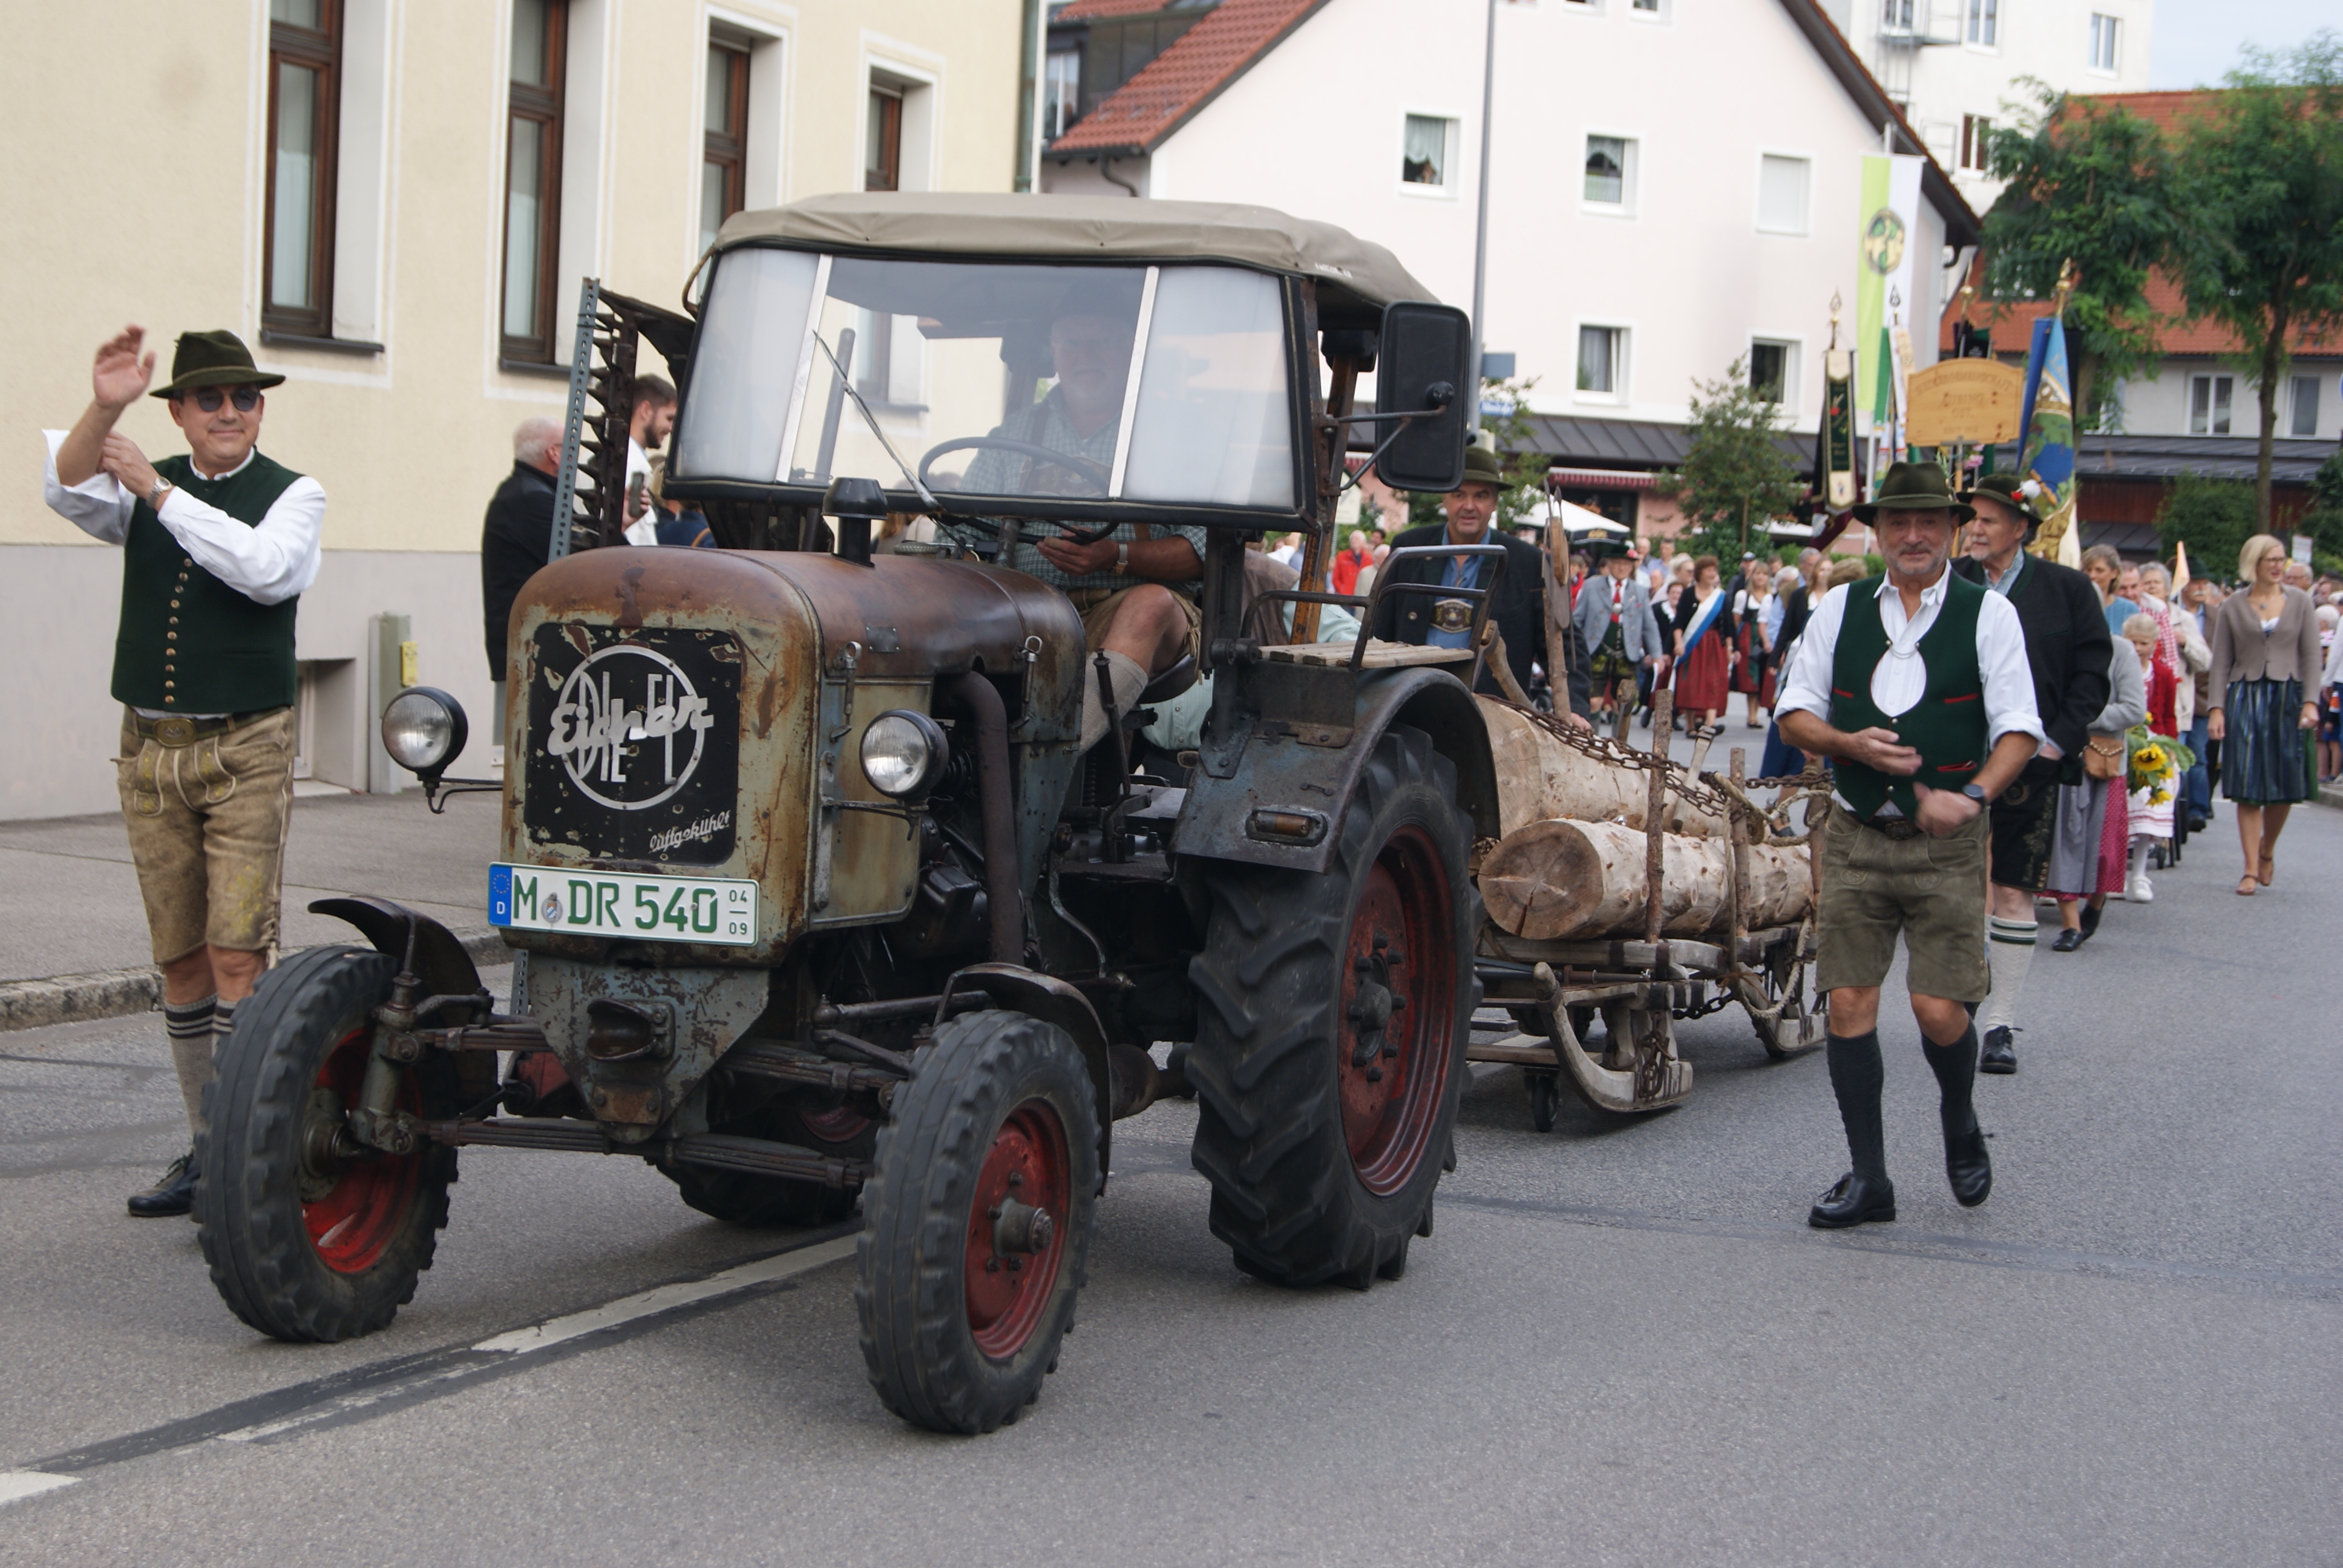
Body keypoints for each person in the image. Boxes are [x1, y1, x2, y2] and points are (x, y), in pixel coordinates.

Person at [43, 327, 324, 1218]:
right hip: (151, 749)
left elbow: (265, 572)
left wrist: (159, 492)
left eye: (245, 397)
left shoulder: (295, 493)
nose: (231, 412)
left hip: (245, 746)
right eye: (211, 398)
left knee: (237, 953)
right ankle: (207, 1146)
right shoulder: (139, 478)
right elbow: (65, 486)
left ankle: (248, 1150)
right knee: (180, 960)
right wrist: (106, 409)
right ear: (180, 412)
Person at [1774, 462, 2042, 1229]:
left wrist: (1972, 796)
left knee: (1936, 1008)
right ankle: (1869, 1180)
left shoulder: (1987, 614)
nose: (1913, 535)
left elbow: (2019, 729)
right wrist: (1846, 744)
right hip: (1856, 832)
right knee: (1848, 1000)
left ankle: (1958, 1116)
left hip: (1946, 845)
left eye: (1928, 521)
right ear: (1879, 531)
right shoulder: (1838, 607)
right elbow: (1793, 711)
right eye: (1898, 522)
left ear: (1952, 530)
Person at [951, 307, 1206, 753]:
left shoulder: (1175, 434)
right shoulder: (1014, 433)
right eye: (1071, 342)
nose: (1085, 355)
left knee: (1150, 605)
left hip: (1127, 608)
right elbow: (957, 533)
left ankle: (1050, 754)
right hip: (1027, 613)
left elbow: (1202, 552)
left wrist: (1114, 557)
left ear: (1131, 351)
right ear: (1053, 352)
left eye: (1101, 341)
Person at [1951, 473, 2112, 1073]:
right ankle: (1961, 1000)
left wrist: (2056, 743)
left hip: (2031, 764)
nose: (1974, 529)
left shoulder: (2067, 589)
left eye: (1988, 520)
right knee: (1957, 888)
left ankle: (1999, 1024)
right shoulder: (1947, 582)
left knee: (2014, 888)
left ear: (2020, 528)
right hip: (1955, 759)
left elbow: (2091, 674)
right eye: (1970, 518)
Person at [1373, 446, 1591, 722]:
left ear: (1495, 502)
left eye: (1481, 496)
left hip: (1493, 720)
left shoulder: (1528, 562)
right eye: (1459, 494)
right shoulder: (1410, 549)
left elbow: (1564, 644)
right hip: (1411, 708)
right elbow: (1378, 633)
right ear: (1444, 499)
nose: (1469, 506)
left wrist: (1574, 708)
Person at [2207, 534, 2322, 895]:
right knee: (2246, 784)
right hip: (2245, 695)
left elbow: (2311, 656)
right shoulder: (2232, 605)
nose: (2277, 566)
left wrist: (2311, 701)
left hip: (2288, 696)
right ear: (2253, 563)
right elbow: (2220, 662)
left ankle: (2267, 849)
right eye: (2270, 559)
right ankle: (2249, 869)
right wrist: (2216, 708)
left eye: (2281, 559)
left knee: (2285, 784)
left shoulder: (2301, 602)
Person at [2043, 638, 2146, 950]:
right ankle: (2070, 925)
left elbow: (2134, 710)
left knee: (2105, 849)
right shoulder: (2056, 646)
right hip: (2062, 758)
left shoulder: (2121, 650)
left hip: (2105, 762)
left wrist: (2080, 715)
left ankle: (2096, 905)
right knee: (2064, 843)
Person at [481, 417, 563, 743]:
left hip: (529, 650)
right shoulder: (531, 500)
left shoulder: (522, 493)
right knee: (524, 751)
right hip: (531, 654)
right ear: (554, 453)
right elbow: (583, 561)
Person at [1574, 546, 1664, 724]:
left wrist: (1657, 655)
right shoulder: (1592, 586)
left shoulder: (1640, 591)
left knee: (1622, 703)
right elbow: (1577, 619)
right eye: (1617, 563)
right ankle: (1591, 738)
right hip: (1596, 650)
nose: (1621, 568)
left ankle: (1618, 740)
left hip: (1627, 652)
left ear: (1632, 567)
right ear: (1609, 564)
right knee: (1593, 701)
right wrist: (1573, 647)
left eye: (1626, 564)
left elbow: (1649, 625)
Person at [1668, 555, 1734, 733]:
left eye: (1714, 570)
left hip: (1715, 645)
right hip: (1693, 646)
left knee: (1714, 682)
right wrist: (1678, 643)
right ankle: (1690, 725)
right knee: (1692, 683)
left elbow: (1729, 625)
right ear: (1700, 573)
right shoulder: (1688, 594)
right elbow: (1679, 622)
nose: (1712, 573)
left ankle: (1710, 725)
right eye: (1708, 570)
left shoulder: (1721, 596)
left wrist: (1729, 648)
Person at [2180, 573, 2221, 829]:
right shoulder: (2173, 612)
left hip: (2205, 694)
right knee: (2177, 754)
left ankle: (2198, 808)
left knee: (2198, 754)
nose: (2201, 588)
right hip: (2179, 693)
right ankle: (2177, 808)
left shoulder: (2217, 616)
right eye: (2196, 582)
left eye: (2204, 583)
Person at [1731, 557, 1775, 729]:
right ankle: (1751, 715)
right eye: (1758, 574)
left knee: (1762, 675)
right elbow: (1736, 620)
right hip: (1748, 636)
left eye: (1764, 574)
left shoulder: (1772, 597)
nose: (1760, 577)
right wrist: (1735, 642)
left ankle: (1755, 714)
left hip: (1766, 636)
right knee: (1750, 677)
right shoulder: (1743, 595)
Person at [2081, 543, 2138, 638]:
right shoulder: (2075, 606)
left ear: (2114, 573)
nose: (2092, 576)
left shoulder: (2129, 609)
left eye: (2099, 570)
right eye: (2088, 570)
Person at [1330, 529, 1371, 596]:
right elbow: (1335, 578)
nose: (1353, 540)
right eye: (1352, 539)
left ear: (1363, 542)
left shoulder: (1369, 559)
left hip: (1362, 596)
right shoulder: (1341, 556)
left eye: (1357, 539)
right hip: (1345, 597)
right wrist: (1342, 591)